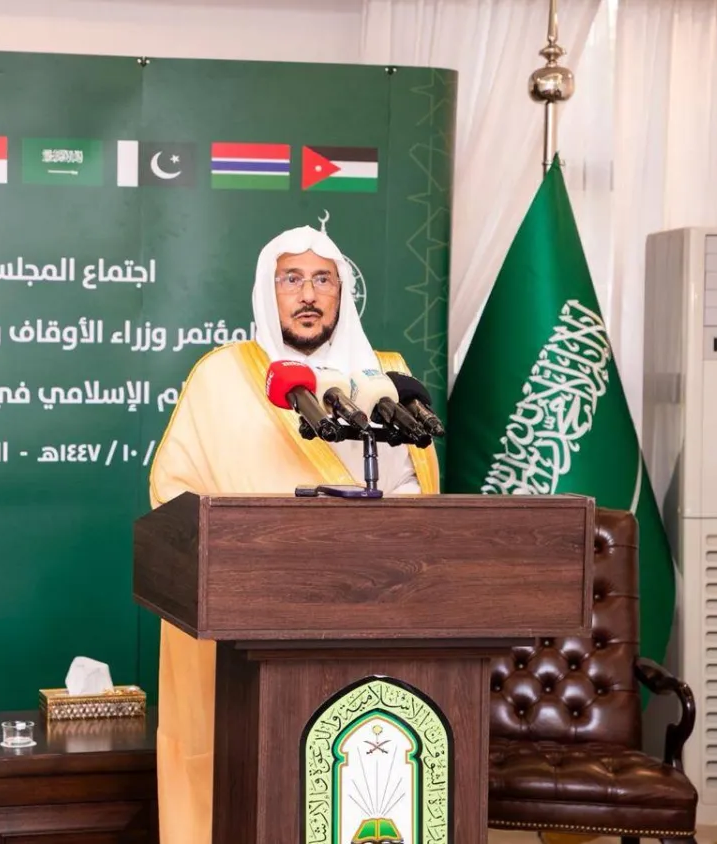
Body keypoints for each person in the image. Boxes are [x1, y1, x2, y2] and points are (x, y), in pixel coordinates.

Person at [146, 224, 440, 844]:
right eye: (292, 279)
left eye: (323, 279)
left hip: (370, 617)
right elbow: (173, 494)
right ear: (268, 291)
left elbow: (417, 496)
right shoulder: (222, 376)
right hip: (248, 629)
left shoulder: (387, 380)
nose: (308, 294)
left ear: (342, 293)